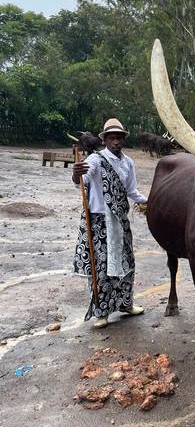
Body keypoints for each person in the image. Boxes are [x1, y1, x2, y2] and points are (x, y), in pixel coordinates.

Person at [72, 118, 147, 328]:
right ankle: (101, 312)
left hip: (120, 220)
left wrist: (151, 201)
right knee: (102, 267)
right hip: (99, 220)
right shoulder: (95, 160)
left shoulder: (128, 162)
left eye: (119, 138)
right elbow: (82, 182)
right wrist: (75, 174)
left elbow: (132, 191)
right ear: (104, 140)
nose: (116, 142)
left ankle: (125, 304)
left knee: (127, 263)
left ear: (123, 140)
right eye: (112, 138)